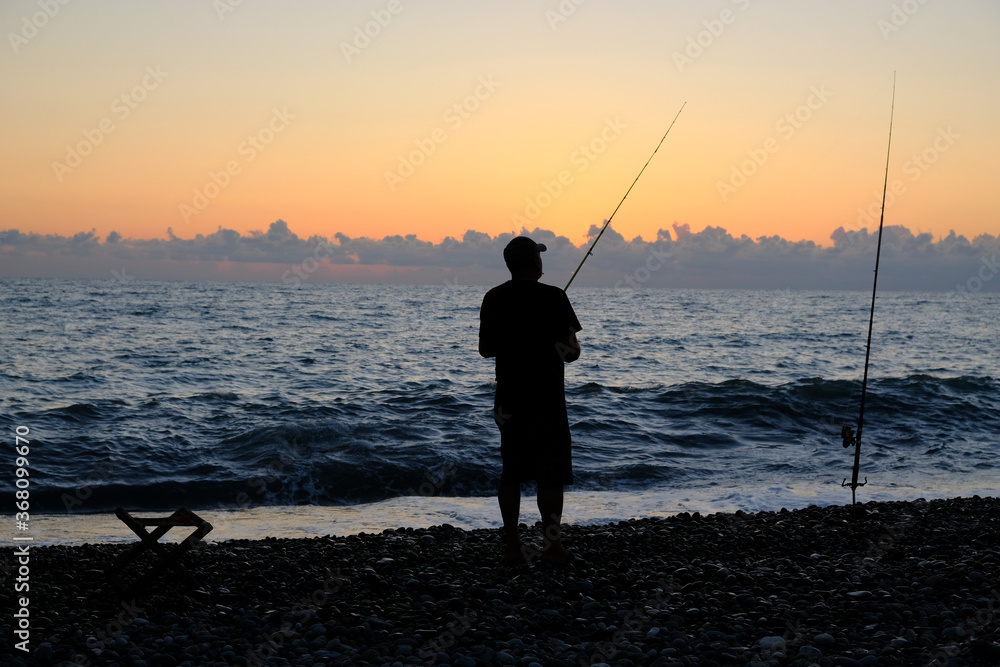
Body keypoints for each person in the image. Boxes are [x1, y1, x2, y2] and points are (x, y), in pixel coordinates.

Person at [479, 236, 582, 565]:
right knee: (549, 475)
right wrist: (550, 342)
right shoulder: (555, 297)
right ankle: (552, 548)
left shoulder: (493, 298)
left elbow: (486, 349)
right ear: (535, 263)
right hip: (547, 399)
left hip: (508, 398)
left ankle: (512, 546)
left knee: (511, 471)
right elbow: (572, 354)